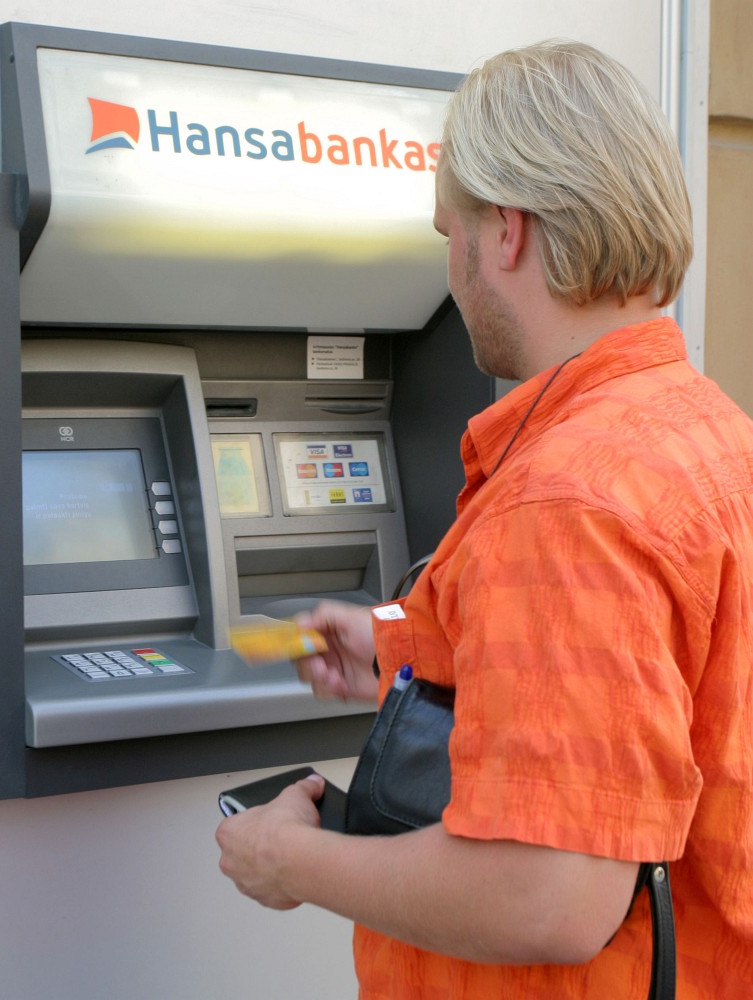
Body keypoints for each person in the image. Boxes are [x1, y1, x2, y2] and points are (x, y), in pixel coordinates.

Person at [216, 39, 753, 998]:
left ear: (504, 232)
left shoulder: (563, 499)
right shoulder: (709, 434)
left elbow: (545, 897)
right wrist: (400, 644)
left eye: (447, 232)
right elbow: (654, 695)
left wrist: (288, 859)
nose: (450, 269)